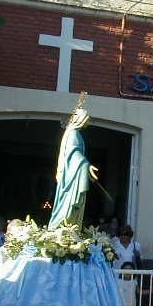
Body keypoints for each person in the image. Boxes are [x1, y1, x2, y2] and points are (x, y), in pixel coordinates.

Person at [48, 92, 99, 229]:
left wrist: (85, 167)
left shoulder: (75, 133)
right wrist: (86, 165)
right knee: (68, 206)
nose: (87, 121)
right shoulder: (73, 133)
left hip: (74, 173)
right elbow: (73, 153)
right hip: (70, 178)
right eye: (86, 119)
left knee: (73, 210)